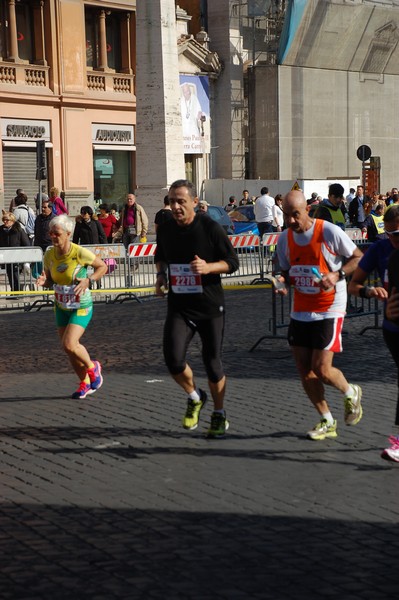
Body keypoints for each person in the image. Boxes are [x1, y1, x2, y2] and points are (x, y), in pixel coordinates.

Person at [275, 190, 363, 440]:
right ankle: (326, 419)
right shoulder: (285, 239)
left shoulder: (327, 232)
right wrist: (280, 282)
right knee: (305, 371)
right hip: (301, 309)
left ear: (307, 211)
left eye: (296, 215)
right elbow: (283, 271)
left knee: (322, 369)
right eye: (287, 216)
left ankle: (350, 392)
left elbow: (357, 257)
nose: (292, 221)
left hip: (330, 306)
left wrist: (337, 275)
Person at [155, 179, 239, 438]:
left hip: (209, 306)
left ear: (194, 202)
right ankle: (194, 396)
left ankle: (219, 413)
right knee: (173, 358)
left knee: (212, 362)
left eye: (181, 201)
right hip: (180, 305)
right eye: (172, 201)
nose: (176, 206)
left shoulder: (210, 227)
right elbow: (161, 256)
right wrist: (161, 276)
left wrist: (208, 267)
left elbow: (233, 262)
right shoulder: (167, 228)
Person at [348, 205, 399, 461]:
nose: (393, 239)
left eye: (398, 233)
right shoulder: (380, 249)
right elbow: (353, 285)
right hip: (394, 328)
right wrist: (371, 292)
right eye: (389, 234)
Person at [36, 215, 107, 399]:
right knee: (68, 349)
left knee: (70, 343)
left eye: (57, 233)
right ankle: (83, 382)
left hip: (81, 305)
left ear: (68, 234)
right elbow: (51, 280)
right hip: (61, 305)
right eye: (50, 233)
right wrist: (44, 282)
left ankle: (93, 368)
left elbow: (102, 267)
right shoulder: (49, 254)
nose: (52, 236)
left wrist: (89, 280)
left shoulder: (79, 252)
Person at [0, 212, 30, 293]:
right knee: (10, 275)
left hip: (17, 257)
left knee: (15, 274)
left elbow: (26, 244)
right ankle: (14, 291)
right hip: (6, 258)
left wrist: (26, 259)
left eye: (7, 220)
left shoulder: (19, 230)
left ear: (12, 221)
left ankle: (17, 292)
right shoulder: (1, 230)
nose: (5, 222)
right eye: (4, 220)